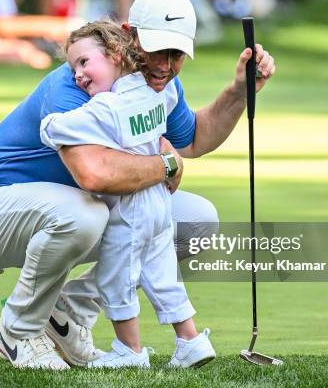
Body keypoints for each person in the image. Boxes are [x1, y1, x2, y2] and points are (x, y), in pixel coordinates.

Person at [0, 0, 275, 370]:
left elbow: (196, 139)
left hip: (65, 208)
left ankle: (66, 315)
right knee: (86, 214)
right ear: (128, 35)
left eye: (176, 54)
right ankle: (18, 331)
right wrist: (165, 165)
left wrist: (239, 92)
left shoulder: (157, 83)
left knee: (194, 219)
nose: (165, 65)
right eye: (156, 50)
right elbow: (94, 174)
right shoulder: (74, 82)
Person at [39, 21, 216, 368]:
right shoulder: (157, 91)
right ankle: (190, 340)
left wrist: (47, 125)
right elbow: (172, 107)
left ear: (116, 54)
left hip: (130, 207)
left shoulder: (108, 106)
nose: (77, 75)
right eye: (74, 66)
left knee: (118, 276)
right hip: (160, 205)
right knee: (162, 275)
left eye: (84, 63)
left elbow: (62, 127)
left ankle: (129, 351)